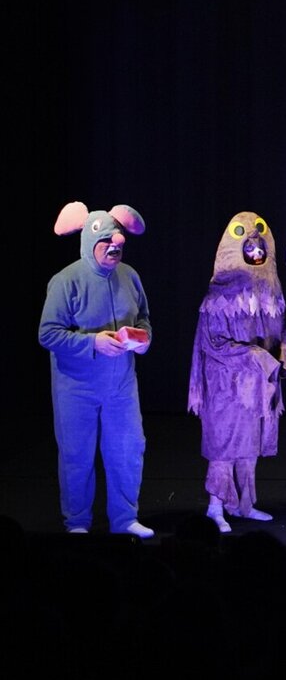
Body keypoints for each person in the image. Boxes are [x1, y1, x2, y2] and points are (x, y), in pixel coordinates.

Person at [38, 202, 154, 538]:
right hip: (77, 387)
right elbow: (48, 334)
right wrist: (92, 343)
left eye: (118, 244)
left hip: (121, 385)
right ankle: (77, 522)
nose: (115, 248)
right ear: (90, 243)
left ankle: (125, 519)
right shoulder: (65, 281)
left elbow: (143, 318)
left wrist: (143, 339)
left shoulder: (130, 276)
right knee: (77, 455)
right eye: (107, 243)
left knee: (128, 450)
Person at [188, 211, 286, 533]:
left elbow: (280, 332)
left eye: (260, 248)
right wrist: (256, 357)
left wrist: (283, 353)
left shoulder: (272, 293)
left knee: (250, 444)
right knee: (225, 445)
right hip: (227, 385)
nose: (256, 252)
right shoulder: (219, 295)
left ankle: (245, 504)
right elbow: (213, 344)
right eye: (249, 248)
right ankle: (215, 506)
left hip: (258, 386)